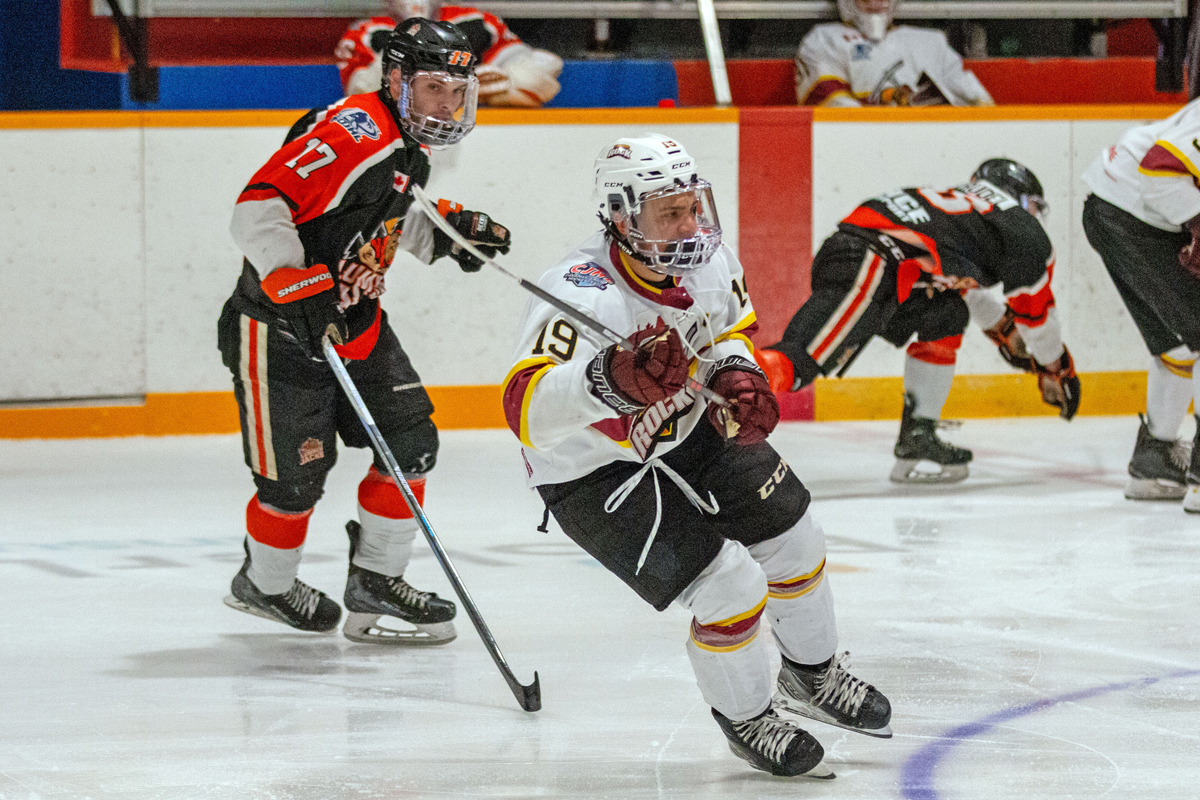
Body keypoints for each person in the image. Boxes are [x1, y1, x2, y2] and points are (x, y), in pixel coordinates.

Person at [501, 134, 892, 778]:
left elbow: (727, 334)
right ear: (621, 216)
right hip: (591, 470)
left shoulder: (707, 261)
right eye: (670, 214)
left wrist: (740, 378)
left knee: (796, 539)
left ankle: (812, 675)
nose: (691, 225)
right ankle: (748, 717)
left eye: (693, 206)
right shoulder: (581, 291)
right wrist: (606, 380)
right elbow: (524, 409)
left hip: (683, 431)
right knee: (729, 585)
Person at [217, 19, 513, 644]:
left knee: (413, 447)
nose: (450, 104)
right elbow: (257, 209)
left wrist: (442, 239)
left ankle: (376, 580)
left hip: (356, 323)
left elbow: (375, 214)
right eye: (436, 88)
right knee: (293, 486)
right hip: (280, 333)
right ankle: (265, 586)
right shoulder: (356, 132)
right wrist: (297, 283)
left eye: (459, 90)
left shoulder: (407, 145)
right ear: (397, 79)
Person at [754, 160, 1080, 483]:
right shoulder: (1022, 230)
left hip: (876, 261)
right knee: (796, 363)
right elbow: (1037, 318)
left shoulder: (968, 212)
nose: (1036, 215)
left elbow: (964, 292)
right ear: (1019, 198)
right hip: (875, 259)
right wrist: (1057, 367)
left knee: (947, 314)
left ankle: (918, 435)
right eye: (1034, 206)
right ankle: (721, 397)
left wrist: (999, 327)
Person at [1081, 101, 1200, 511]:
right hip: (1137, 211)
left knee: (1179, 344)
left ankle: (1155, 463)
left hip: (1115, 209)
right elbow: (1161, 169)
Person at [337, 1, 563, 107]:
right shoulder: (365, 33)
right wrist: (467, 91)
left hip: (483, 138)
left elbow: (539, 72)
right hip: (403, 144)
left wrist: (509, 86)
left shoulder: (477, 21)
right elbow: (364, 93)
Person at [796, 0, 992, 107]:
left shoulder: (931, 42)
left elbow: (978, 101)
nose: (875, 4)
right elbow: (831, 106)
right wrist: (890, 112)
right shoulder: (823, 40)